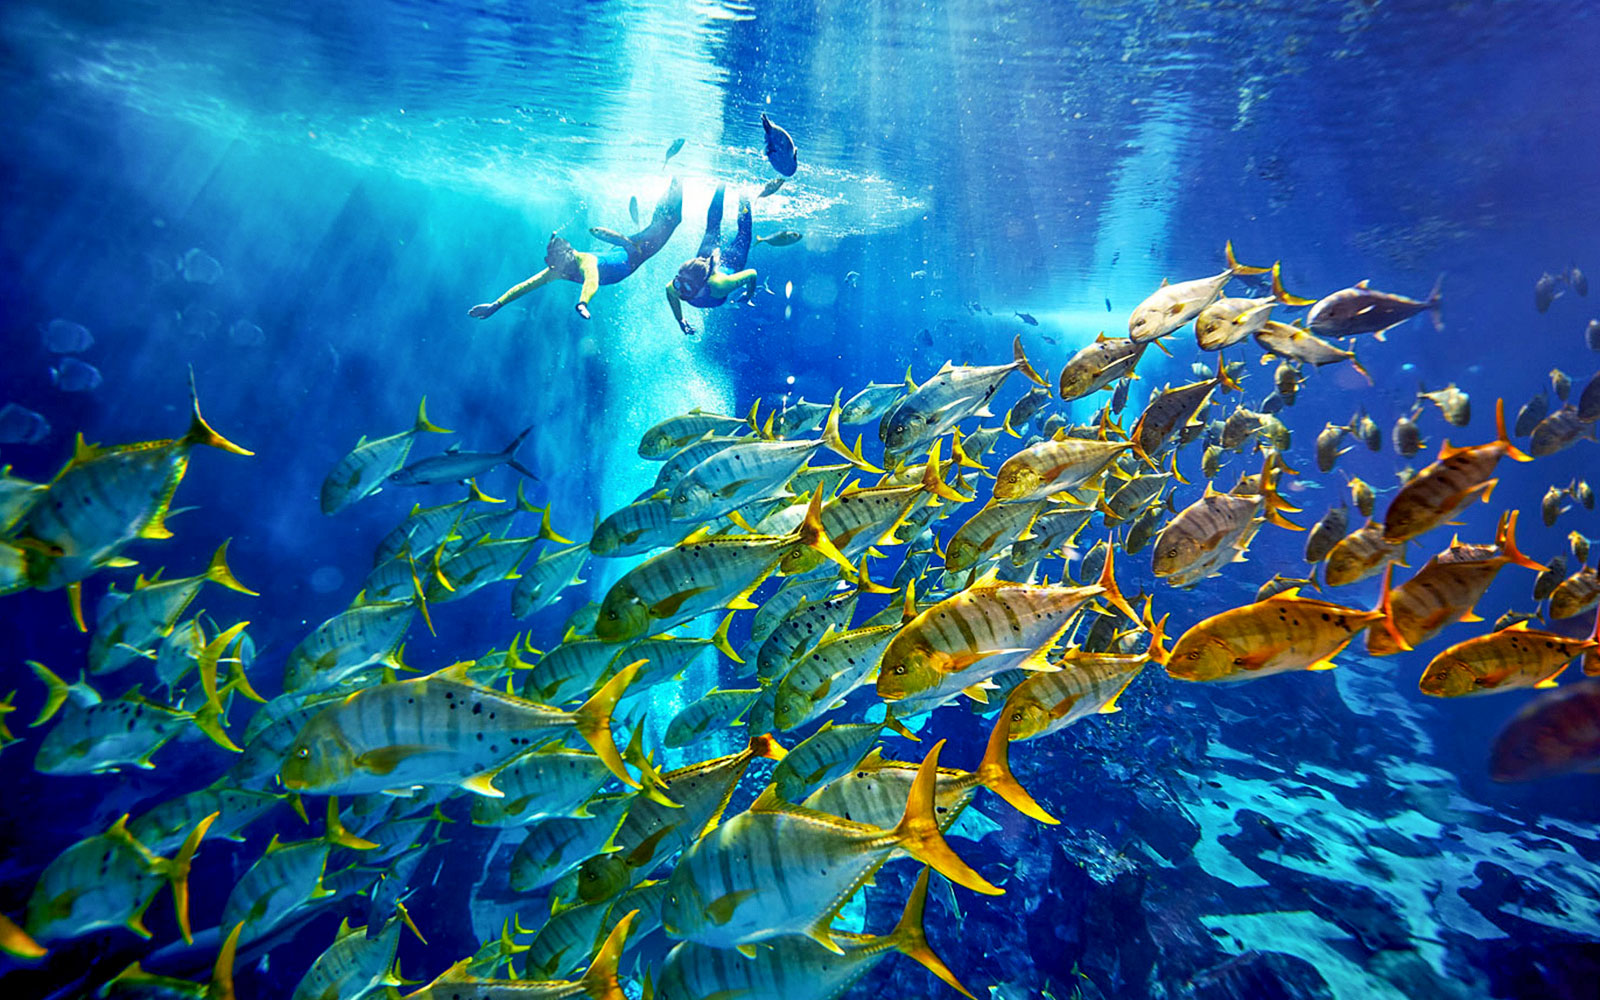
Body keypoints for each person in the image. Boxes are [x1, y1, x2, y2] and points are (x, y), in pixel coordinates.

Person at [469, 178, 684, 320]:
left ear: (569, 256)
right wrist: (495, 305)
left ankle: (677, 181)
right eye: (554, 264)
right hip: (620, 253)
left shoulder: (584, 261)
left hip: (633, 255)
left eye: (558, 264)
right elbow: (526, 286)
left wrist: (582, 303)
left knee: (669, 221)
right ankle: (674, 184)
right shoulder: (556, 270)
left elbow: (592, 279)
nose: (556, 268)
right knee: (663, 223)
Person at [665, 186, 760, 336]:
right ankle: (721, 186)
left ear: (703, 284)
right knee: (713, 227)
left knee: (743, 233)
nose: (679, 290)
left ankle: (743, 196)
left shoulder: (720, 285)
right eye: (678, 282)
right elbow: (669, 290)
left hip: (731, 263)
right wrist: (680, 320)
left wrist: (749, 294)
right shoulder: (677, 286)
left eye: (686, 287)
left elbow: (752, 274)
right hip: (704, 258)